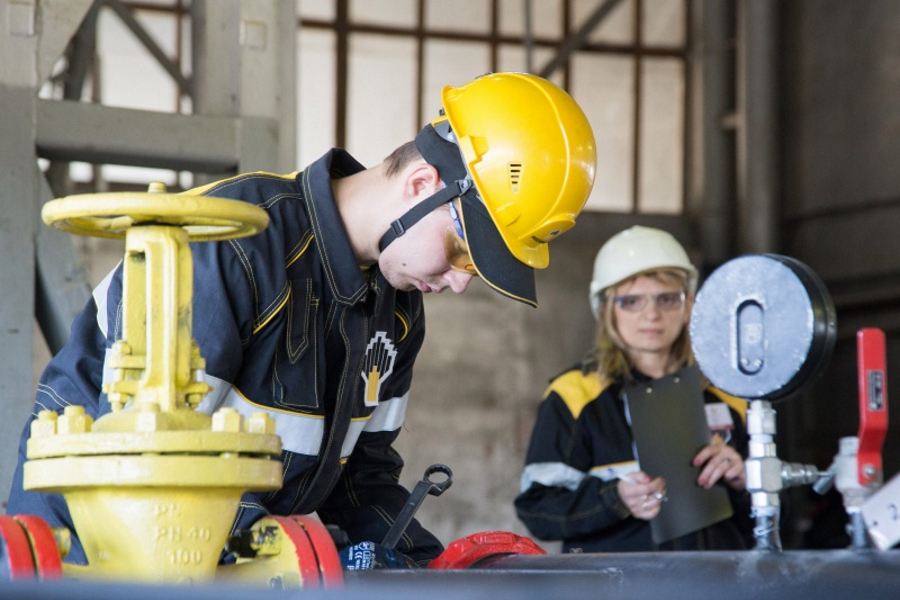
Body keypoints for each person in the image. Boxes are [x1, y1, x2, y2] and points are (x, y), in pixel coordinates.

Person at [7, 73, 596, 567]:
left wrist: (427, 568)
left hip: (215, 560)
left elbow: (364, 479)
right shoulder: (233, 244)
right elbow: (155, 472)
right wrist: (311, 555)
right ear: (422, 186)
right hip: (91, 556)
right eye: (465, 252)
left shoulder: (399, 311)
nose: (462, 281)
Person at [514, 225, 751, 553]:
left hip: (716, 583)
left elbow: (784, 513)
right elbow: (538, 510)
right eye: (631, 301)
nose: (651, 315)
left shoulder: (731, 394)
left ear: (689, 305)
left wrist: (744, 481)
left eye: (667, 299)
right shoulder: (574, 396)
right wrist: (615, 498)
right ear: (607, 309)